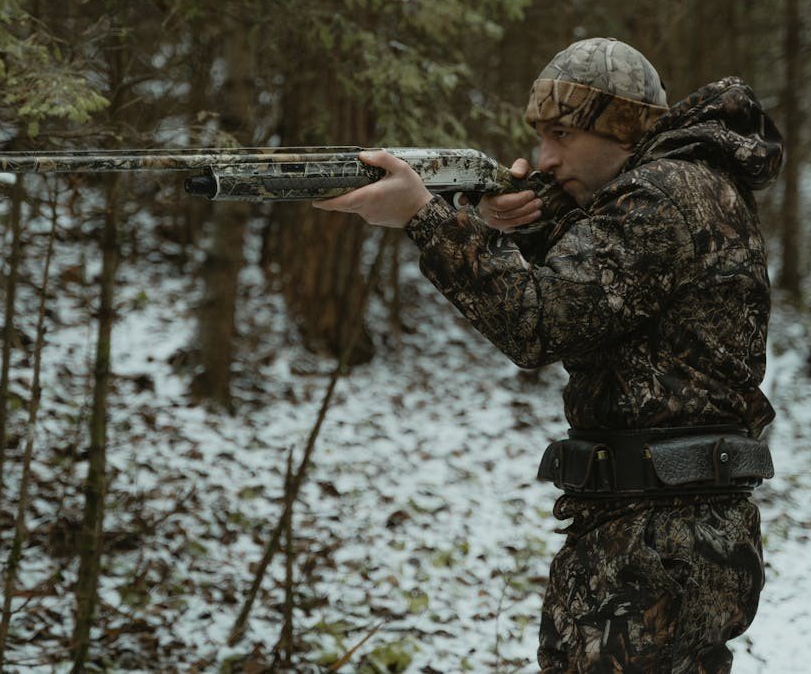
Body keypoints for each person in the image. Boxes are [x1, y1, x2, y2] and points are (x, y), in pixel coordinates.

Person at [314, 37, 784, 672]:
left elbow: (540, 320)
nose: (545, 156)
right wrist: (511, 224)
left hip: (653, 543)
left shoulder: (662, 195)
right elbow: (604, 286)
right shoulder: (687, 185)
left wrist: (425, 219)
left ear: (618, 128)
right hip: (677, 529)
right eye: (540, 136)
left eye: (562, 133)